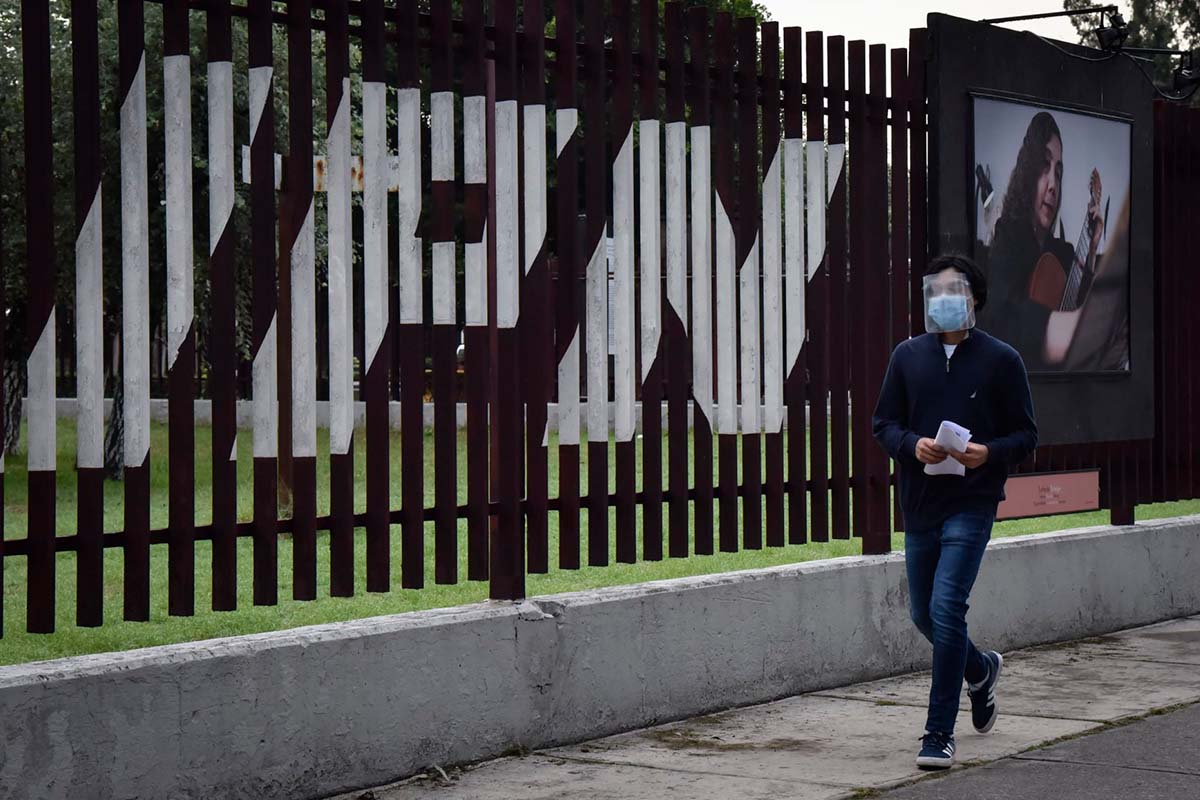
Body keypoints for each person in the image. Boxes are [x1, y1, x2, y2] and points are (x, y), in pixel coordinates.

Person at [872, 254, 1039, 770]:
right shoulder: (907, 356)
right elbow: (884, 423)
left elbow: (1027, 434)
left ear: (974, 299)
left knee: (947, 608)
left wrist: (989, 452)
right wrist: (912, 444)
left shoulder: (1001, 360)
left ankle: (938, 733)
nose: (943, 298)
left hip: (973, 501)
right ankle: (980, 669)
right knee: (923, 613)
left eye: (954, 289)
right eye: (935, 290)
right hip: (922, 504)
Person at [981, 111, 1104, 370]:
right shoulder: (1008, 235)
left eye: (1058, 173)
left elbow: (1083, 305)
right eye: (1044, 167)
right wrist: (1058, 327)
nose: (1052, 185)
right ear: (1028, 173)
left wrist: (1092, 249)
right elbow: (1001, 313)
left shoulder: (1064, 252)